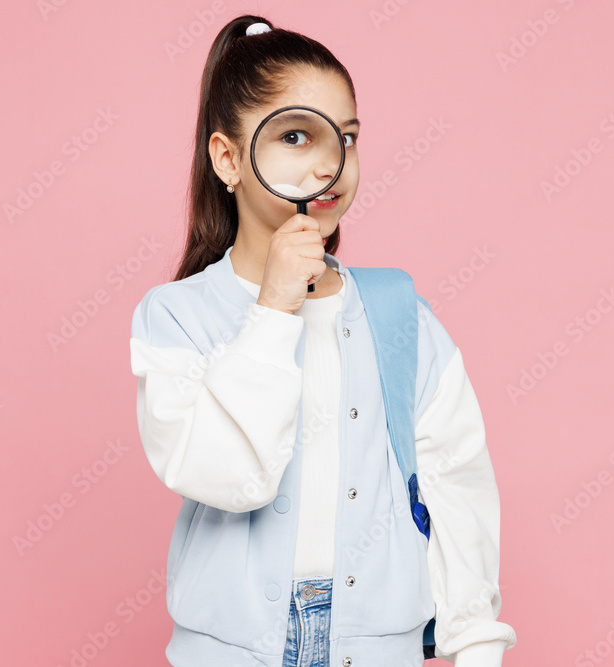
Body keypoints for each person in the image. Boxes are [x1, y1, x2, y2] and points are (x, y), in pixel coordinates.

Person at [129, 14, 517, 667]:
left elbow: (457, 479)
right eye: (295, 136)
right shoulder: (173, 318)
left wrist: (476, 640)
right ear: (229, 159)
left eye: (347, 138)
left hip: (378, 645)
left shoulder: (399, 313)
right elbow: (229, 476)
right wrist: (275, 308)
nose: (328, 163)